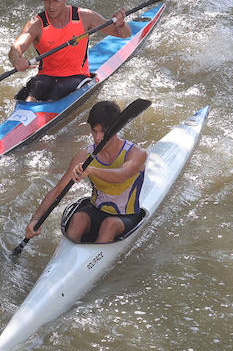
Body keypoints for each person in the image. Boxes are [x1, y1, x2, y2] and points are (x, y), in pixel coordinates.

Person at [23, 100, 148, 244]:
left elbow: (122, 175)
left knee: (109, 225)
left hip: (125, 216)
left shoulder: (136, 153)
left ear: (116, 129)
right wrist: (36, 220)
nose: (98, 138)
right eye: (94, 131)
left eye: (103, 132)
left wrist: (92, 170)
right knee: (77, 219)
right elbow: (58, 190)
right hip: (95, 210)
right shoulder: (84, 155)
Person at [8, 0, 130, 103]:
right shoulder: (36, 24)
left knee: (55, 94)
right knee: (29, 98)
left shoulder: (85, 17)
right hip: (46, 76)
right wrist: (16, 59)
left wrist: (121, 25)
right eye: (47, 0)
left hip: (76, 76)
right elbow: (16, 47)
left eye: (56, 0)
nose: (50, 5)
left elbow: (124, 35)